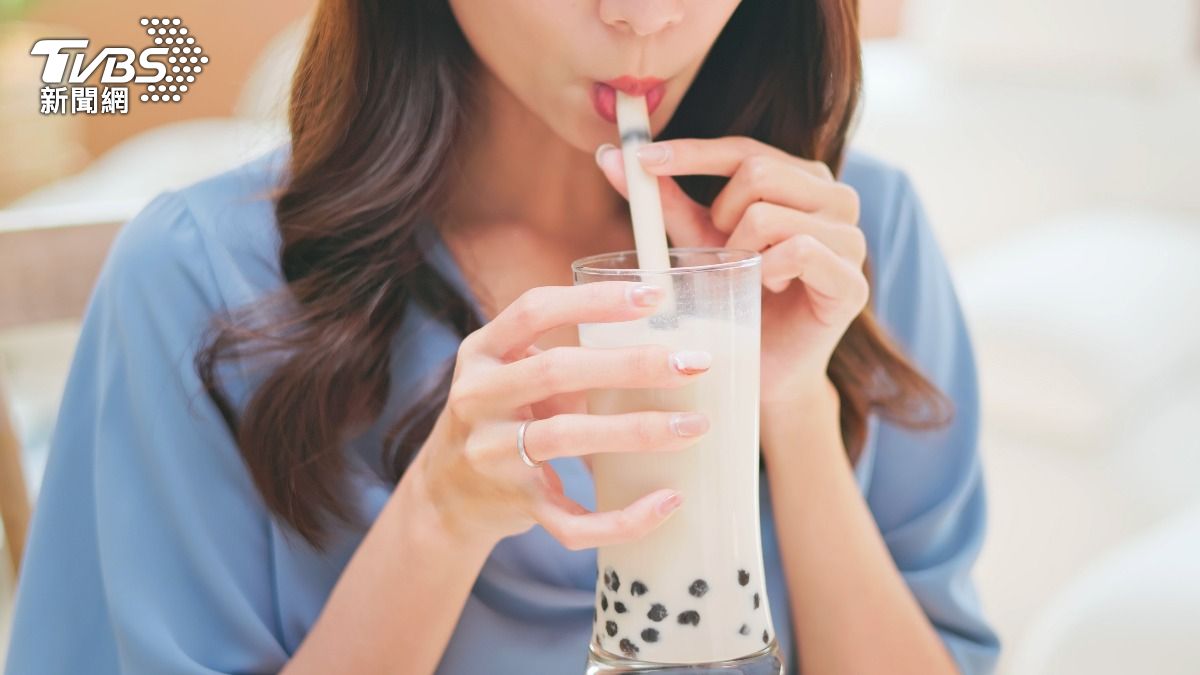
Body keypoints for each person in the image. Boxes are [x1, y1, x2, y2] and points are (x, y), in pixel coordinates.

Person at [5, 1, 1001, 673]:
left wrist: (790, 406)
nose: (643, 16)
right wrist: (438, 519)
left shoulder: (840, 242)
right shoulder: (200, 283)